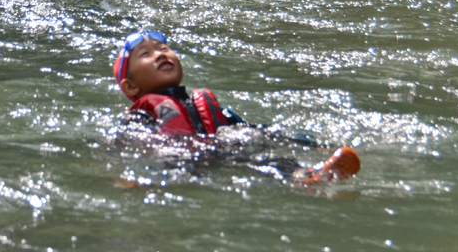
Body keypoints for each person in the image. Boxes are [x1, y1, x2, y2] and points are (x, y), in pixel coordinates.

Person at [111, 30, 361, 184]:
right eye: (146, 54)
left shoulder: (200, 102)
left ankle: (308, 177)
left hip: (220, 151)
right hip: (179, 161)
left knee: (267, 155)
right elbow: (129, 139)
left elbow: (252, 128)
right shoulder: (142, 112)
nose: (160, 54)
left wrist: (309, 142)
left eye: (164, 48)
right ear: (131, 87)